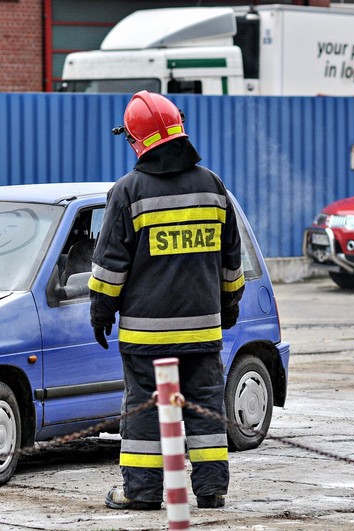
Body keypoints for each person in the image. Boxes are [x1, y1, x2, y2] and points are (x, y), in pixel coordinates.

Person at [88, 91, 244, 511]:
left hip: (146, 335)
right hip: (204, 330)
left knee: (142, 413)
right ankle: (211, 491)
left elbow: (109, 267)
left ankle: (140, 492)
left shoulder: (128, 191)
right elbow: (232, 261)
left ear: (136, 139)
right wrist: (229, 307)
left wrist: (100, 312)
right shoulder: (213, 186)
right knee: (207, 410)